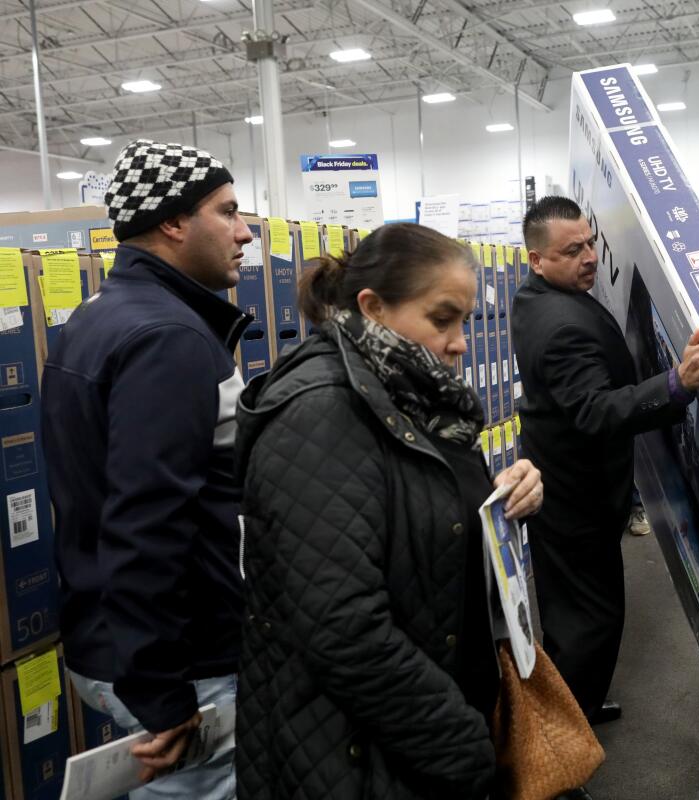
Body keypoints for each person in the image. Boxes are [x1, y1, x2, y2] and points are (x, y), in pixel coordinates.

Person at [234, 223, 544, 799]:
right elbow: (344, 629)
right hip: (354, 757)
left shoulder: (411, 396)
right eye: (441, 319)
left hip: (412, 739)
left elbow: (426, 518)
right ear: (372, 308)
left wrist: (506, 495)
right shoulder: (321, 413)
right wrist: (461, 744)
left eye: (465, 322)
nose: (459, 342)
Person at [41, 139, 253, 797]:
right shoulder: (169, 338)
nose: (246, 231)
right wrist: (162, 690)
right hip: (184, 662)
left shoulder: (99, 318)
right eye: (228, 211)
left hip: (120, 643)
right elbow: (146, 522)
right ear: (173, 221)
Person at [511, 196, 699, 725]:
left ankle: (578, 710)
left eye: (590, 242)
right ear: (537, 259)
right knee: (586, 624)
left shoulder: (535, 297)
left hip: (569, 489)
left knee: (581, 618)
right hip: (575, 501)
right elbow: (595, 411)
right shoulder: (559, 322)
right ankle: (561, 752)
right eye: (573, 250)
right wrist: (677, 384)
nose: (590, 256)